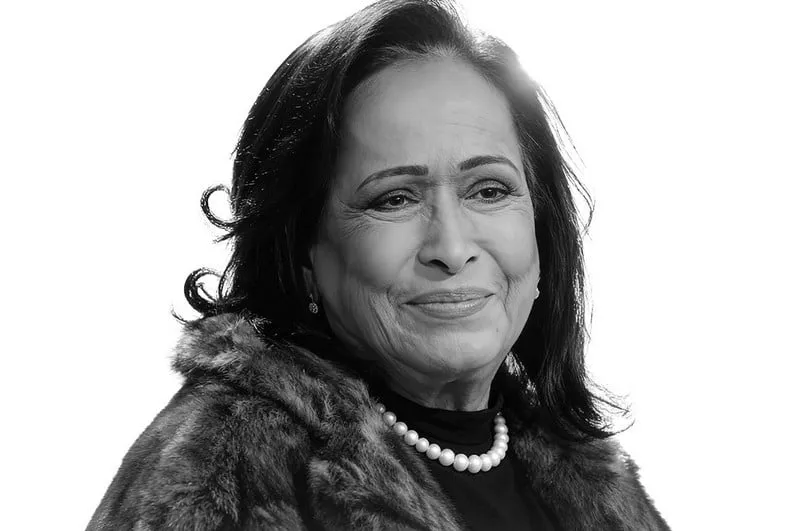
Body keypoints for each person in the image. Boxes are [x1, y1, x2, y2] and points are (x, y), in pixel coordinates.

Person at [88, 0, 670, 529]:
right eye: (394, 199)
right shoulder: (218, 471)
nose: (452, 248)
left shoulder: (589, 480)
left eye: (489, 190)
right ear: (303, 253)